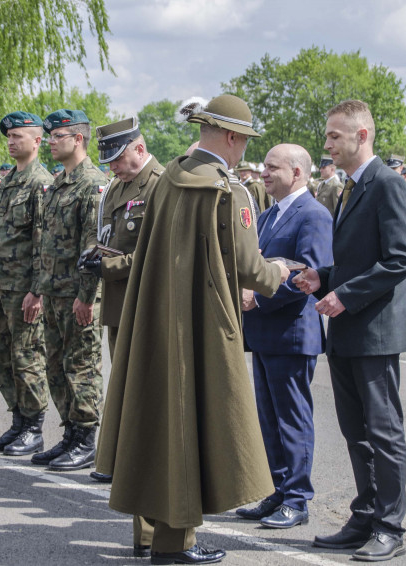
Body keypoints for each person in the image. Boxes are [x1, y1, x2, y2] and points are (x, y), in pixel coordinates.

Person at [97, 94, 290, 565]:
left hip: (154, 317)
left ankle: (149, 535)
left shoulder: (167, 181)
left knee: (155, 420)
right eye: (243, 140)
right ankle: (172, 545)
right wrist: (280, 271)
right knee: (188, 427)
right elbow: (250, 267)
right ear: (229, 136)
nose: (244, 150)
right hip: (202, 326)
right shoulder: (229, 189)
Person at [290, 99, 406, 562]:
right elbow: (358, 257)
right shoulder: (348, 187)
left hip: (376, 329)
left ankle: (390, 526)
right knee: (354, 430)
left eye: (334, 137)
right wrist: (322, 278)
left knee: (383, 432)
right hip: (347, 327)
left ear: (361, 135)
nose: (327, 145)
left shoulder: (387, 184)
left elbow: (402, 257)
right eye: (327, 137)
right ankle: (364, 515)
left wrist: (345, 295)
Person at [237, 143, 333, 530]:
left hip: (291, 333)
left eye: (273, 168)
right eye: (265, 167)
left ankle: (297, 498)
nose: (264, 173)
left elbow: (306, 278)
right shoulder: (268, 215)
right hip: (265, 334)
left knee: (292, 419)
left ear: (296, 172)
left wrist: (257, 299)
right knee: (269, 418)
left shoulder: (312, 214)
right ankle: (277, 489)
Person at [84, 117, 164, 492]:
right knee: (123, 386)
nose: (112, 167)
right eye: (109, 161)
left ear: (140, 149)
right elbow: (105, 236)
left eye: (117, 158)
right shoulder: (116, 188)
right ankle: (120, 459)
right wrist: (93, 258)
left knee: (145, 390)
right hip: (119, 302)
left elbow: (157, 255)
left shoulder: (162, 186)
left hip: (148, 303)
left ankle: (143, 464)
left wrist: (108, 265)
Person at [32, 109, 107, 471]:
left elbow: (92, 248)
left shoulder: (92, 184)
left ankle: (86, 438)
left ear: (78, 139)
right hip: (54, 291)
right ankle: (69, 433)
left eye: (56, 136)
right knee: (55, 366)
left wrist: (87, 297)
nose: (50, 142)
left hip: (78, 294)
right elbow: (45, 243)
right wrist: (40, 288)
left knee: (82, 367)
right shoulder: (59, 183)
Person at [0, 112, 54, 455]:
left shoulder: (41, 182)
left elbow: (43, 241)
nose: (11, 142)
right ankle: (18, 420)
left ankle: (34, 428)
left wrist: (36, 290)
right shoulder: (8, 180)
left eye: (18, 136)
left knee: (27, 358)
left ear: (37, 140)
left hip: (23, 289)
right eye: (8, 137)